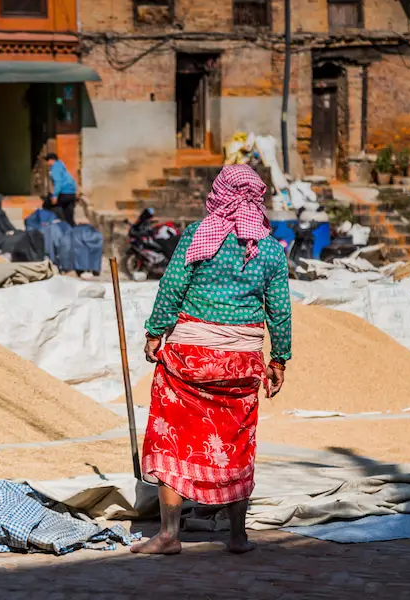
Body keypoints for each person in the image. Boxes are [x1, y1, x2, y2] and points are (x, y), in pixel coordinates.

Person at [132, 164, 291, 556]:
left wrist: (155, 332)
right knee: (236, 441)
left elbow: (172, 287)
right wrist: (279, 360)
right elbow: (280, 311)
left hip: (189, 358)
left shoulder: (198, 236)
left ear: (219, 193)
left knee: (174, 437)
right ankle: (237, 535)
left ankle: (169, 535)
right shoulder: (270, 249)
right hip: (241, 364)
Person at [45, 152, 78, 227]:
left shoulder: (55, 168)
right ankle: (73, 230)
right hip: (72, 194)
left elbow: (58, 182)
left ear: (52, 160)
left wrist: (55, 196)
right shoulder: (61, 165)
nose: (47, 163)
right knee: (69, 216)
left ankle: (49, 226)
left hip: (64, 193)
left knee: (46, 204)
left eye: (48, 161)